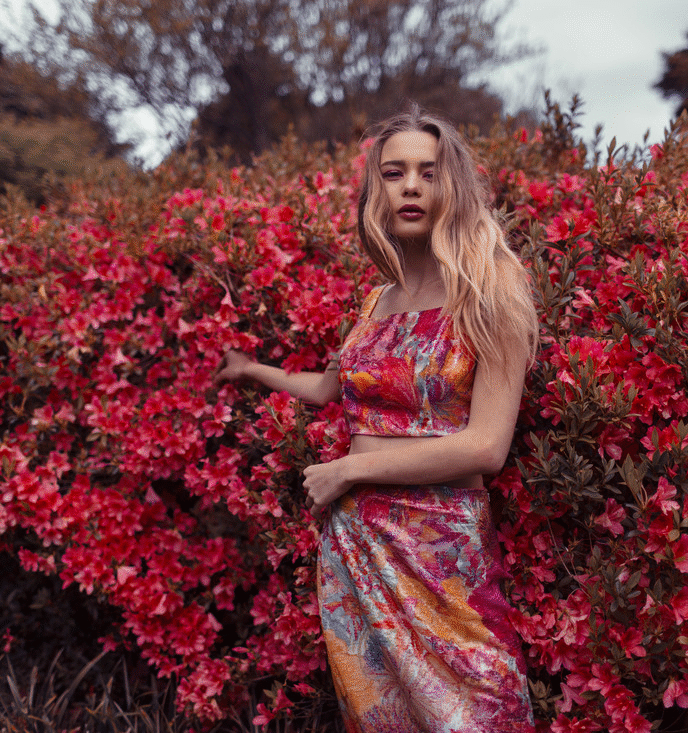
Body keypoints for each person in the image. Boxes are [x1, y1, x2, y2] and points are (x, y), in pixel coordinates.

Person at [214, 104, 537, 732]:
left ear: (453, 185)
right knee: (380, 717)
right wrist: (252, 369)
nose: (411, 186)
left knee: (479, 710)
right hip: (357, 541)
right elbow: (327, 388)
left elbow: (485, 447)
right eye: (394, 173)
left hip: (440, 544)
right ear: (376, 190)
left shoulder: (491, 287)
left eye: (428, 172)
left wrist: (348, 471)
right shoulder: (376, 301)